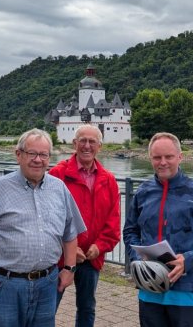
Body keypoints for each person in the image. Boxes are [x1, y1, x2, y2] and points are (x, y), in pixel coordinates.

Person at [0, 128, 87, 327]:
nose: (38, 159)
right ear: (18, 155)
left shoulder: (59, 189)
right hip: (5, 285)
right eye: (32, 153)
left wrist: (69, 268)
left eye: (43, 154)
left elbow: (70, 233)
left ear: (49, 158)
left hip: (47, 283)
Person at [123, 132, 193, 327]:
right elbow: (130, 231)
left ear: (180, 156)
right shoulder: (143, 192)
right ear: (150, 158)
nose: (163, 162)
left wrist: (188, 260)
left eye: (168, 157)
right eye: (157, 157)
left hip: (186, 288)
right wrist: (137, 260)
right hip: (149, 287)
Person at [49, 125, 121, 327]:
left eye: (92, 141)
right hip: (60, 257)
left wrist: (100, 246)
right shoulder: (57, 174)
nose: (87, 146)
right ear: (74, 144)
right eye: (82, 140)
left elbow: (113, 221)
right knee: (48, 308)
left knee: (87, 307)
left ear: (99, 146)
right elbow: (48, 219)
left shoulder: (109, 180)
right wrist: (70, 248)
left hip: (91, 256)